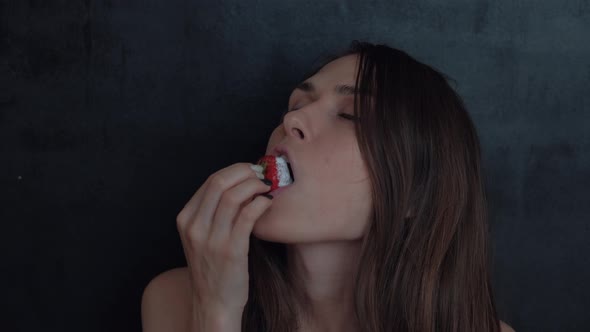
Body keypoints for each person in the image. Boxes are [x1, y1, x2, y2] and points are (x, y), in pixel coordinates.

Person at [141, 41, 516, 332]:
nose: (292, 119)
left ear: (416, 193)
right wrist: (216, 314)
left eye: (350, 115)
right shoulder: (177, 300)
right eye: (296, 104)